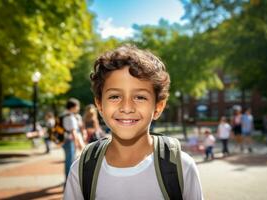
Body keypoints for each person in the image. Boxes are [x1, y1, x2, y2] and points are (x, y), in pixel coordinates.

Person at [64, 44, 203, 199]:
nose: (127, 107)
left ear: (158, 107)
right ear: (100, 105)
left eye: (140, 97)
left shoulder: (182, 168)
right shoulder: (81, 170)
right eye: (115, 96)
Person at [62, 98, 84, 180]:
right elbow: (73, 131)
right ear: (73, 106)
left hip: (65, 140)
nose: (78, 108)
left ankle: (68, 179)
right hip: (70, 141)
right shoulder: (70, 117)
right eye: (77, 106)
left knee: (68, 160)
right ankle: (69, 180)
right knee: (70, 161)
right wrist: (77, 143)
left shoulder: (64, 115)